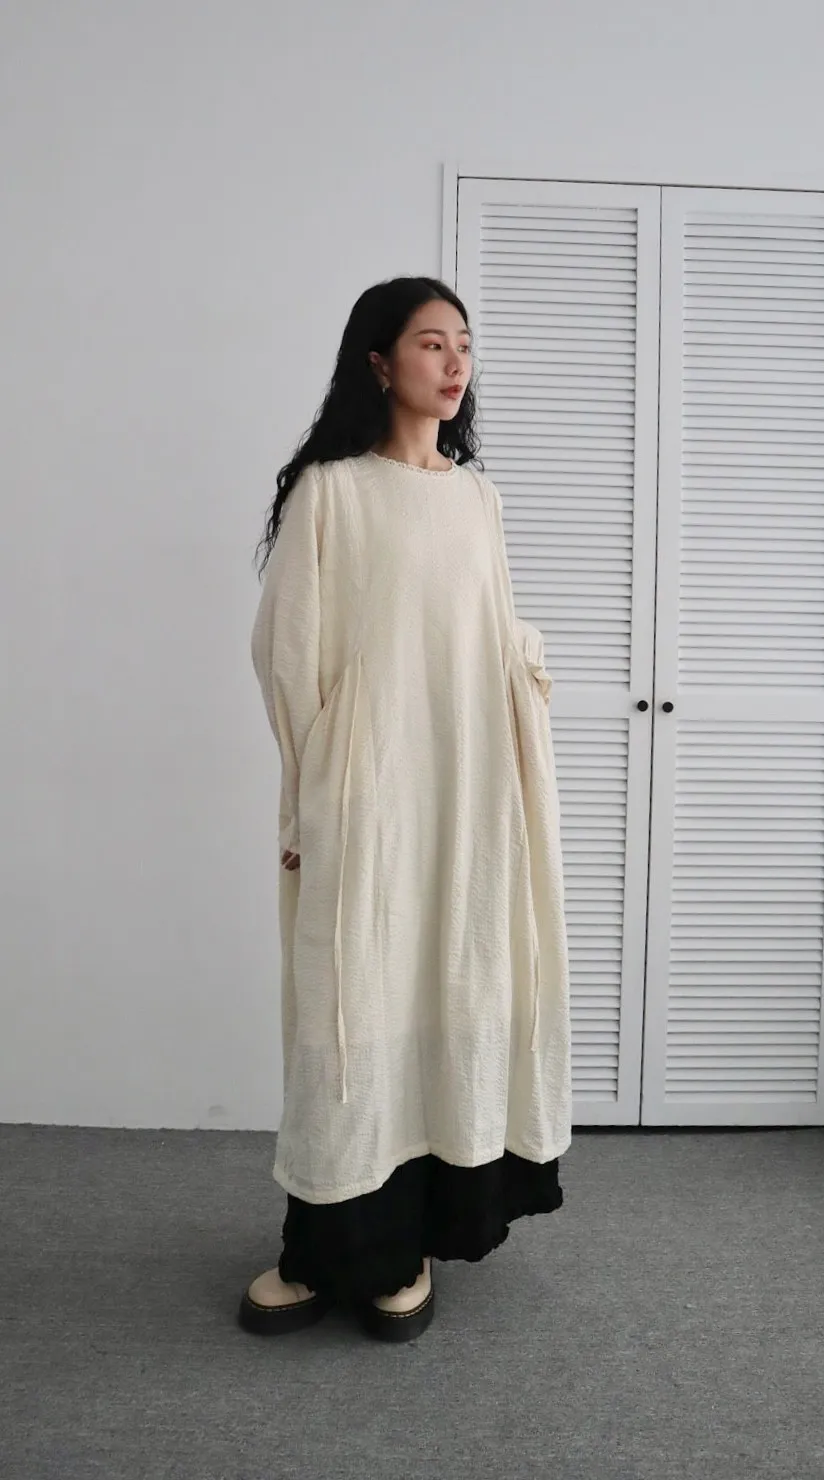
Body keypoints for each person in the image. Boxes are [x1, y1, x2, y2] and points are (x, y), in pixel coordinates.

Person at [238, 275, 572, 1343]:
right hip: (368, 790)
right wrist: (307, 800)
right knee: (350, 1005)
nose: (455, 360)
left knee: (451, 986)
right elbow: (288, 653)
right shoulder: (332, 492)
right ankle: (325, 1245)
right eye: (432, 342)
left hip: (468, 792)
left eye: (463, 342)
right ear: (379, 362)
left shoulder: (478, 500)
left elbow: (490, 635)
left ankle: (414, 1240)